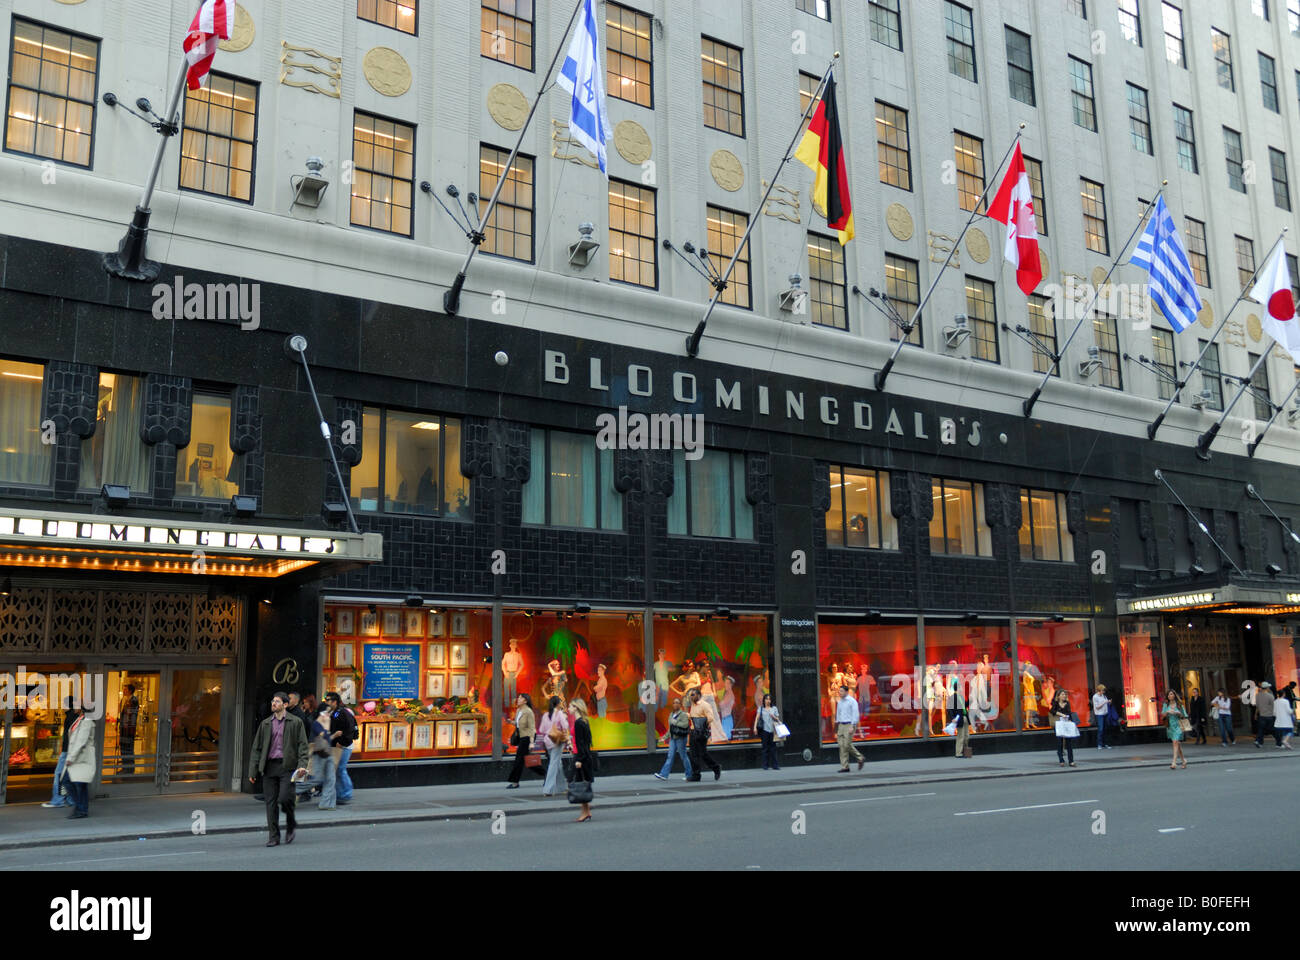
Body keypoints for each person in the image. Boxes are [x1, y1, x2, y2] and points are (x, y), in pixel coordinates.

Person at [248, 691, 311, 846]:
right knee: (270, 803)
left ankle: (291, 824)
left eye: (276, 701)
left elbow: (303, 746)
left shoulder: (295, 722)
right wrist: (253, 770)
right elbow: (257, 748)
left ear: (285, 704)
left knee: (284, 798)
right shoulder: (265, 724)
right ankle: (274, 836)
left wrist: (302, 766)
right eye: (272, 701)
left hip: (287, 767)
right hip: (269, 767)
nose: (273, 704)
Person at [41, 697, 78, 809]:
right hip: (71, 751)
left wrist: (64, 751)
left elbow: (69, 737)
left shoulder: (70, 717)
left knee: (59, 774)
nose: (62, 707)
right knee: (69, 776)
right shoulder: (74, 716)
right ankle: (71, 800)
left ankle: (58, 800)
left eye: (64, 704)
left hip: (67, 751)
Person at [298, 704, 337, 809]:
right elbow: (323, 735)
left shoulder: (324, 722)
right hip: (319, 754)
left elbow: (327, 737)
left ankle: (326, 804)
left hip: (328, 752)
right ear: (321, 713)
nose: (328, 714)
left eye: (329, 712)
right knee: (318, 779)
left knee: (331, 779)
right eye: (326, 712)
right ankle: (293, 790)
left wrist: (334, 734)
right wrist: (327, 725)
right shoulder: (316, 724)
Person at [63, 702, 97, 820]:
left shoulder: (86, 722)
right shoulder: (80, 719)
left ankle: (81, 808)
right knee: (78, 784)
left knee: (71, 782)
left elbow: (81, 741)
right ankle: (81, 808)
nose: (74, 707)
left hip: (81, 758)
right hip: (77, 758)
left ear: (82, 709)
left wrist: (70, 758)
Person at [324, 692, 356, 805]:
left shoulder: (342, 713)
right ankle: (340, 794)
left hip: (343, 746)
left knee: (340, 769)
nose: (326, 702)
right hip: (337, 746)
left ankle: (346, 793)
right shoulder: (333, 713)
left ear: (335, 702)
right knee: (337, 770)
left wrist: (341, 743)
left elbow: (348, 730)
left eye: (328, 700)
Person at [655, 697, 694, 781]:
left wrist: (675, 722)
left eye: (677, 703)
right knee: (670, 756)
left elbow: (685, 725)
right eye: (674, 703)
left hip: (681, 738)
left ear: (680, 705)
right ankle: (664, 774)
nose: (675, 704)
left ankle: (689, 774)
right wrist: (664, 737)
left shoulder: (683, 714)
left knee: (683, 756)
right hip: (673, 738)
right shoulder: (671, 715)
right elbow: (671, 729)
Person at [687, 688, 721, 781]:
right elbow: (695, 717)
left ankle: (716, 767)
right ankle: (696, 775)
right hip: (693, 732)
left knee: (703, 754)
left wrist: (701, 725)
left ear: (698, 695)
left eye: (693, 695)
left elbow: (710, 718)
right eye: (690, 695)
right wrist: (690, 717)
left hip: (701, 732)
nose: (691, 697)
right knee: (693, 754)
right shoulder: (693, 705)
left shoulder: (705, 705)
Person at [537, 695, 569, 796]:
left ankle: (562, 787)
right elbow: (565, 726)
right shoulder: (559, 713)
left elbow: (541, 730)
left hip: (548, 741)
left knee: (557, 763)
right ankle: (548, 789)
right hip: (557, 741)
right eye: (560, 702)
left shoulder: (546, 714)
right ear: (558, 703)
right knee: (554, 764)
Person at [570, 698, 595, 822]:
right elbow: (585, 742)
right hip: (582, 755)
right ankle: (587, 812)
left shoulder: (579, 722)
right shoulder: (584, 721)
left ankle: (585, 813)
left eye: (570, 706)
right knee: (583, 784)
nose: (569, 708)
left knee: (581, 785)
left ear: (576, 708)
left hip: (581, 757)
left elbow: (582, 743)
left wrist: (579, 759)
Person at [506, 693, 536, 788]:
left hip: (527, 738)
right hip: (521, 737)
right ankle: (546, 774)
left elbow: (532, 728)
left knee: (519, 760)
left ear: (525, 701)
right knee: (528, 760)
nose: (518, 699)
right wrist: (511, 722)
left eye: (520, 698)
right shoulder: (519, 710)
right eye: (518, 697)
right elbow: (518, 724)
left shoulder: (529, 712)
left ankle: (515, 782)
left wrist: (531, 743)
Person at [834, 685, 865, 772]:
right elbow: (838, 714)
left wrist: (852, 725)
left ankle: (860, 757)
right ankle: (845, 766)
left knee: (846, 744)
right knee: (841, 745)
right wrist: (837, 727)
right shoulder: (840, 702)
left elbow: (855, 714)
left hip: (849, 724)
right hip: (841, 725)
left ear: (846, 692)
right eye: (839, 691)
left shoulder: (852, 701)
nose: (840, 693)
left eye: (842, 691)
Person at [1048, 689, 1077, 767]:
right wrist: (1061, 714)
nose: (1064, 696)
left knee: (1069, 743)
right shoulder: (1056, 703)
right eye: (1062, 694)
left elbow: (1069, 712)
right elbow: (1052, 711)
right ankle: (1061, 760)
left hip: (1066, 724)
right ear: (1058, 696)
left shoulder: (1067, 703)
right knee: (1059, 742)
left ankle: (1071, 761)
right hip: (1059, 725)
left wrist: (1071, 721)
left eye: (1065, 694)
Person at [754, 693, 782, 770]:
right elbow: (757, 718)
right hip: (765, 730)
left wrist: (774, 717)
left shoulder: (774, 708)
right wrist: (754, 727)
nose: (768, 701)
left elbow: (778, 720)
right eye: (766, 699)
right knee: (765, 748)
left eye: (769, 699)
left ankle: (775, 765)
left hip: (773, 730)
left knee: (773, 748)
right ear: (764, 700)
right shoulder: (761, 708)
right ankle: (765, 765)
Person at [1162, 690, 1189, 770]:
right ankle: (1183, 760)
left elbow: (1184, 715)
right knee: (1177, 743)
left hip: (1178, 725)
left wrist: (1178, 713)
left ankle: (1174, 762)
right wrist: (1167, 712)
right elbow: (1163, 716)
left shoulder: (1179, 704)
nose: (1171, 695)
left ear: (1174, 695)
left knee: (1175, 742)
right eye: (1169, 694)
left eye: (1172, 694)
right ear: (1167, 696)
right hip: (1170, 726)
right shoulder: (1166, 705)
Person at [118, 683, 139, 775]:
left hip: (128, 729)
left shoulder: (133, 700)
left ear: (130, 690)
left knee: (128, 749)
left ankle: (129, 768)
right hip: (124, 729)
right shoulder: (124, 699)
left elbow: (131, 715)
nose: (123, 691)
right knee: (123, 748)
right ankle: (125, 767)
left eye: (125, 689)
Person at [952, 681, 973, 759]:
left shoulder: (961, 696)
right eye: (961, 687)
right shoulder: (953, 697)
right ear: (958, 688)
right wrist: (953, 718)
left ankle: (965, 752)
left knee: (966, 736)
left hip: (965, 717)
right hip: (959, 718)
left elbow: (965, 705)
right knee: (960, 736)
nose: (962, 688)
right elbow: (950, 709)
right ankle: (958, 753)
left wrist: (970, 701)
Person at [502, 639, 523, 706]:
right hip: (507, 673)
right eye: (512, 644)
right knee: (506, 690)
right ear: (510, 645)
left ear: (516, 646)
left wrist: (517, 673)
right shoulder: (507, 654)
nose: (513, 646)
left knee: (513, 690)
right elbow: (502, 664)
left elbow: (522, 664)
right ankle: (507, 705)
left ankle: (513, 705)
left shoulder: (518, 655)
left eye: (514, 644)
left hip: (514, 673)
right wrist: (505, 672)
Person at [1254, 682, 1276, 748]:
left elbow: (1257, 706)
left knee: (1261, 729)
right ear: (1267, 688)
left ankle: (1259, 741)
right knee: (1272, 729)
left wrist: (1255, 714)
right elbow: (1273, 706)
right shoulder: (1270, 696)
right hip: (1269, 715)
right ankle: (1279, 742)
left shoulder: (1257, 695)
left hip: (1261, 715)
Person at [1092, 685, 1112, 750]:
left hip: (1105, 713)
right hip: (1099, 714)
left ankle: (1105, 743)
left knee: (1105, 729)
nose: (1103, 692)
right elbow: (1097, 707)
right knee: (1100, 729)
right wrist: (1105, 702)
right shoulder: (1095, 697)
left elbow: (1106, 704)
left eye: (1104, 690)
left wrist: (1109, 702)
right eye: (1102, 690)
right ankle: (1099, 744)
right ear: (1099, 690)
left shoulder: (1104, 696)